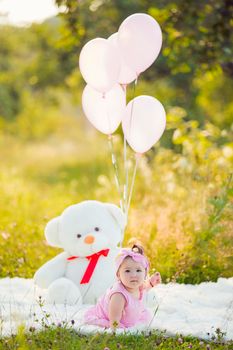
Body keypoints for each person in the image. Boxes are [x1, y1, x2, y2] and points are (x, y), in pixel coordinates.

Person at [84, 244, 161, 329]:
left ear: (145, 273)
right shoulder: (118, 296)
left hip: (131, 315)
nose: (134, 275)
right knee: (115, 326)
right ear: (118, 275)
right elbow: (114, 320)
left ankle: (133, 323)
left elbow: (144, 288)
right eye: (127, 271)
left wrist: (151, 283)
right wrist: (117, 328)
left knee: (146, 317)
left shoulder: (138, 286)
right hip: (110, 317)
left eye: (138, 270)